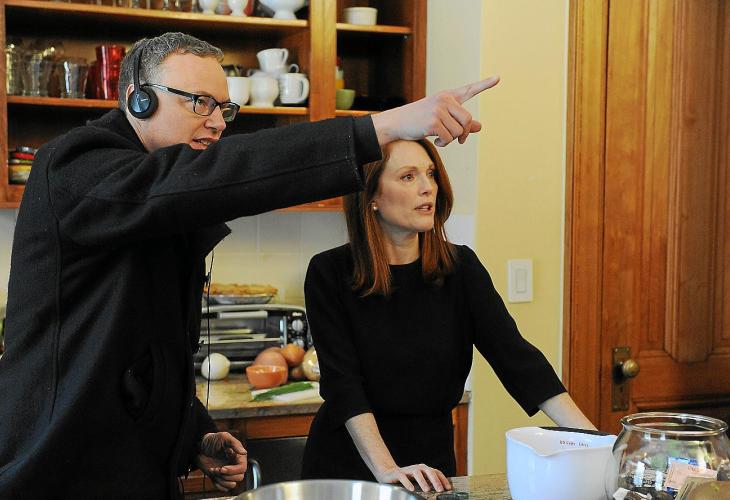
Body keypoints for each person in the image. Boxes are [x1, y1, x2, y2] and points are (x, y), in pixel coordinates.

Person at [0, 32, 499, 499]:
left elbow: (144, 349)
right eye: (199, 102)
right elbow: (210, 176)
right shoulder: (74, 166)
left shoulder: (162, 203)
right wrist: (383, 126)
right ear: (138, 99)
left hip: (133, 472)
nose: (218, 122)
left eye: (224, 108)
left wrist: (193, 433)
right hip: (57, 473)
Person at [301, 139, 596, 493]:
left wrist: (598, 445)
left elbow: (518, 360)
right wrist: (387, 469)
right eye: (408, 176)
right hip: (350, 468)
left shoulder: (461, 268)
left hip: (432, 466)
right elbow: (343, 386)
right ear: (371, 195)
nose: (428, 187)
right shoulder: (329, 272)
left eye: (430, 173)